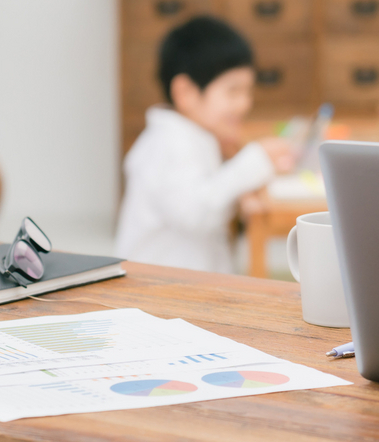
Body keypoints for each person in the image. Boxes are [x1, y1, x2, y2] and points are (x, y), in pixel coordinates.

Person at [115, 15, 295, 273]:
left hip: (184, 280)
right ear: (185, 93)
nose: (245, 103)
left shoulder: (195, 136)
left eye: (248, 91)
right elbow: (196, 213)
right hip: (159, 287)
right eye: (233, 91)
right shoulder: (169, 143)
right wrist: (256, 158)